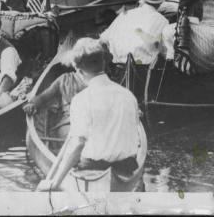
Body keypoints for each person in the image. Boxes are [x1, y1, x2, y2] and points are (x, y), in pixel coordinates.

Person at [35, 37, 143, 192]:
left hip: (93, 168)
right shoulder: (129, 96)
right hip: (126, 168)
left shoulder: (81, 100)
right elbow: (135, 136)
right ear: (104, 63)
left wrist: (55, 183)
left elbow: (78, 144)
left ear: (79, 71)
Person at [99, 0, 171, 66]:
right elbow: (166, 54)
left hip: (116, 69)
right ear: (161, 1)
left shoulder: (124, 14)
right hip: (143, 73)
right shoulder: (163, 21)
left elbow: (103, 40)